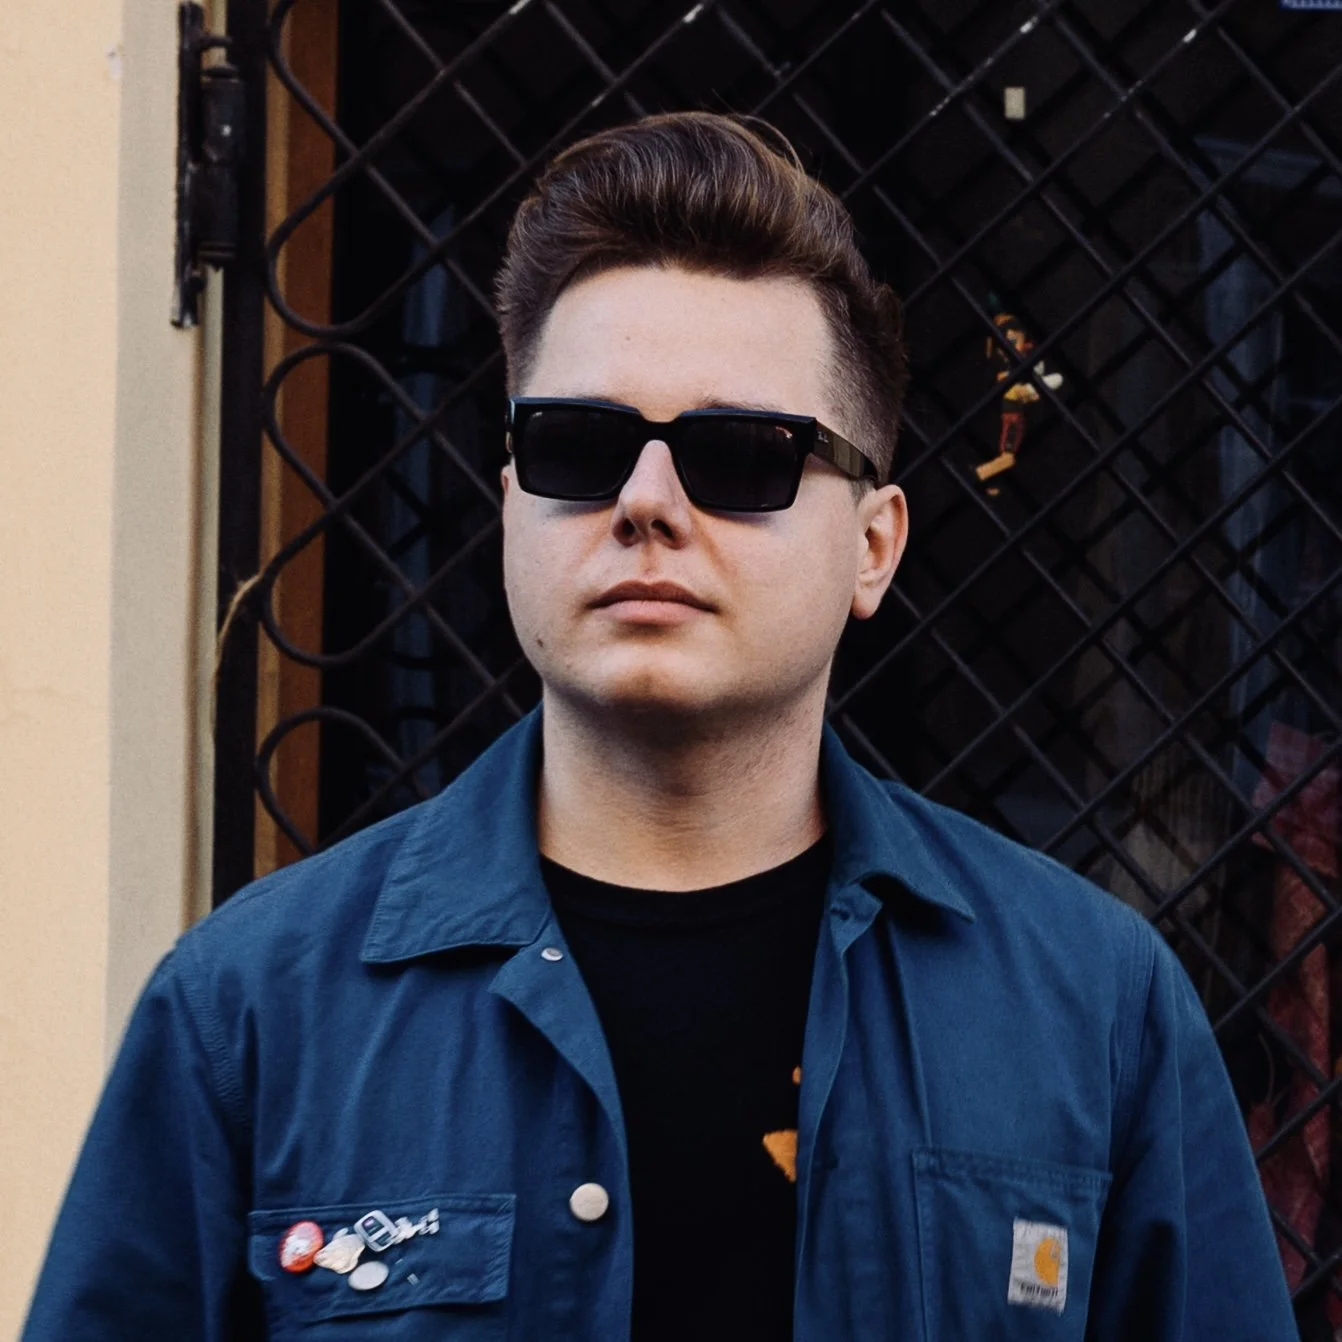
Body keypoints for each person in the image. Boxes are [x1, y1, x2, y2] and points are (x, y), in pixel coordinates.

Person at [24, 111, 1294, 1341]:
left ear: (872, 545)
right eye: (580, 444)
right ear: (512, 497)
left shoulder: (1091, 1008)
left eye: (741, 455)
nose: (645, 502)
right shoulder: (250, 1011)